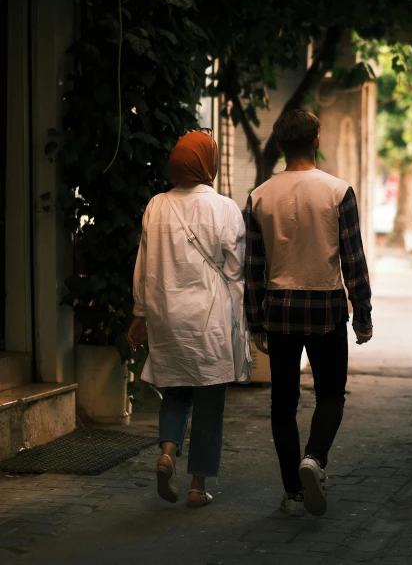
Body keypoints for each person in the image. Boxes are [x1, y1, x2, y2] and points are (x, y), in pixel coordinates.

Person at [244, 109, 373, 518]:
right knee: (330, 394)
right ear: (316, 141)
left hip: (280, 308)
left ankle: (293, 494)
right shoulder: (338, 191)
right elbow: (354, 259)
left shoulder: (260, 196)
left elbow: (253, 267)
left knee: (283, 404)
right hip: (326, 306)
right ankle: (315, 459)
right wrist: (363, 314)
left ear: (279, 145)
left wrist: (253, 321)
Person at [128, 129, 245, 507]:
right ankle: (197, 487)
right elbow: (237, 271)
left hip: (167, 315)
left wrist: (140, 313)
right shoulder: (224, 208)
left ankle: (166, 453)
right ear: (207, 164)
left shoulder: (156, 205)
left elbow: (143, 267)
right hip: (209, 320)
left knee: (175, 392)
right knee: (210, 402)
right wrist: (244, 322)